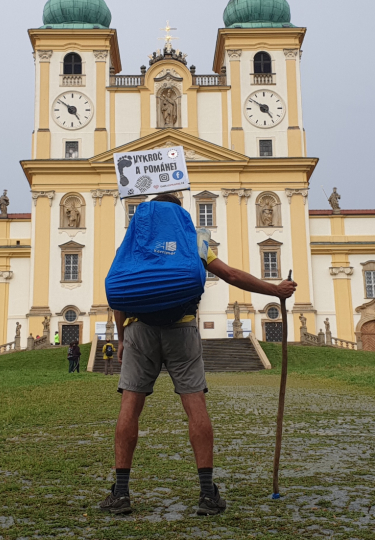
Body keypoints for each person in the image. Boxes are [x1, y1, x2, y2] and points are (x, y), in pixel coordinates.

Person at [98, 194, 297, 517]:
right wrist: (275, 289)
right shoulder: (193, 238)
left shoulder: (134, 239)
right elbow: (230, 275)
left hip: (138, 330)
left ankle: (121, 493)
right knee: (195, 405)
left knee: (130, 407)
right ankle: (207, 493)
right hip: (183, 328)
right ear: (179, 212)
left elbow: (121, 291)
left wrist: (121, 337)